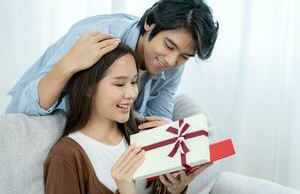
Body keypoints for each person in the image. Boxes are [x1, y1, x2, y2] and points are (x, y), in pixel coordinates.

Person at [6, 0, 219, 127]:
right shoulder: (94, 36)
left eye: (185, 56)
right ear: (150, 24)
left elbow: (158, 117)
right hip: (52, 120)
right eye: (169, 46)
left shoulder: (173, 63)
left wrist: (164, 133)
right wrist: (69, 65)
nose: (172, 60)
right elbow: (24, 110)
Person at [44, 42, 211, 194]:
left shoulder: (144, 132)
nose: (132, 94)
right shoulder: (66, 156)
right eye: (119, 84)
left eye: (134, 82)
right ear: (88, 88)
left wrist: (176, 189)